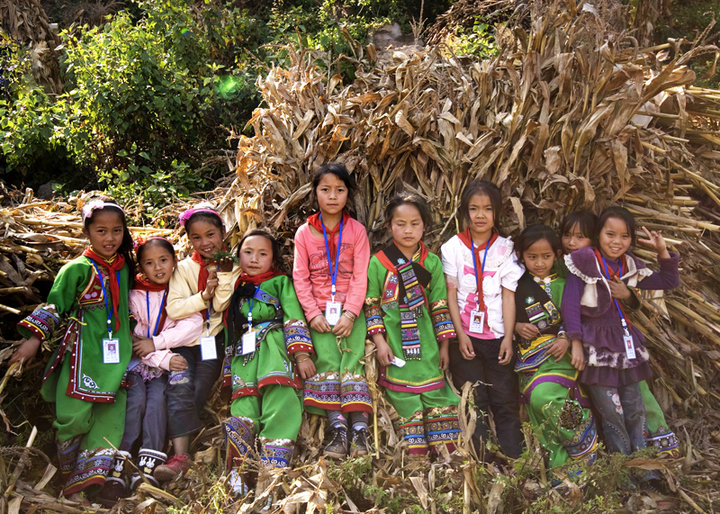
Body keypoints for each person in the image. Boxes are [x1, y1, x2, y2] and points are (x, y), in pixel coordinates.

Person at [10, 199, 135, 500]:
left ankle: (93, 480)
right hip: (84, 352)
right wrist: (34, 339)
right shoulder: (76, 269)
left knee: (110, 414)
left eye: (117, 230)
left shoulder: (125, 266)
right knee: (74, 415)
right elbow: (55, 306)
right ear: (87, 232)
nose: (110, 238)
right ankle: (68, 478)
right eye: (101, 231)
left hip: (117, 352)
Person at [561, 206, 679, 483]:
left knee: (634, 407)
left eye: (624, 236)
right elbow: (570, 306)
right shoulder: (584, 261)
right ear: (598, 234)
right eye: (610, 234)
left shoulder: (629, 265)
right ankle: (622, 471)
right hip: (596, 346)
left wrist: (662, 251)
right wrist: (575, 343)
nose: (617, 241)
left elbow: (669, 280)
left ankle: (643, 466)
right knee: (611, 412)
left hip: (625, 345)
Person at [99, 237, 202, 503]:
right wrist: (160, 358)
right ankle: (119, 466)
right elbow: (134, 340)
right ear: (140, 267)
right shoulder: (133, 295)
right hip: (137, 365)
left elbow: (192, 326)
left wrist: (157, 349)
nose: (158, 268)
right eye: (149, 263)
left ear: (174, 261)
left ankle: (147, 466)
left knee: (157, 403)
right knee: (134, 402)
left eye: (163, 260)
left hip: (161, 364)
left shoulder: (179, 293)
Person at [365, 194, 461, 459]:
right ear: (389, 226)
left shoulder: (431, 262)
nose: (408, 230)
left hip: (428, 345)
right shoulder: (379, 263)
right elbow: (371, 304)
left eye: (415, 224)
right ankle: (415, 464)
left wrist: (444, 347)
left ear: (424, 226)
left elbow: (440, 306)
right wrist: (380, 342)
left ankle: (448, 464)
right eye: (401, 223)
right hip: (395, 347)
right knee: (407, 407)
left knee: (438, 402)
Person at [223, 230, 313, 495]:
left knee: (280, 400)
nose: (254, 258)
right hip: (245, 354)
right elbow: (228, 327)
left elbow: (293, 315)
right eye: (248, 252)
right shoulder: (234, 285)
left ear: (272, 258)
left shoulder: (281, 282)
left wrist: (302, 354)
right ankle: (237, 473)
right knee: (243, 406)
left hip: (275, 348)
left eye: (263, 253)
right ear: (238, 254)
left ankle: (272, 472)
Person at [154, 206, 240, 482]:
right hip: (182, 342)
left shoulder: (235, 265)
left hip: (212, 341)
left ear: (223, 232)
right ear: (189, 239)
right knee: (179, 386)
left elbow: (223, 304)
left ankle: (174, 446)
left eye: (211, 234)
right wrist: (203, 295)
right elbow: (175, 309)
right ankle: (180, 456)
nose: (205, 243)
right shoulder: (184, 268)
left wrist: (224, 277)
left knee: (200, 387)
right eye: (197, 237)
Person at [293, 163, 373, 459]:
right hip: (318, 315)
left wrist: (351, 314)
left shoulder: (357, 231)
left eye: (340, 190)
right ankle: (338, 429)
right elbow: (300, 277)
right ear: (315, 193)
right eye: (325, 189)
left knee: (353, 365)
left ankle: (360, 431)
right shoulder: (304, 233)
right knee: (326, 362)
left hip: (352, 314)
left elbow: (360, 275)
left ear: (347, 195)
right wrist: (312, 314)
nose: (332, 196)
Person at [441, 180, 524, 459]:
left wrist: (509, 338)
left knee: (504, 399)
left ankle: (515, 458)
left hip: (498, 338)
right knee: (474, 400)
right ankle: (482, 461)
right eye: (474, 209)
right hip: (466, 340)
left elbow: (508, 296)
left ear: (496, 213)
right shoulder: (452, 247)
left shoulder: (505, 248)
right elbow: (451, 295)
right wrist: (460, 335)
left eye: (487, 209)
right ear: (465, 212)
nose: (480, 215)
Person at [513, 225, 597, 480]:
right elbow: (500, 316)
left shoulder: (566, 284)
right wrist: (516, 326)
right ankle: (563, 474)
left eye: (546, 256)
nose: (539, 263)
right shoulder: (515, 285)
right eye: (532, 257)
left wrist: (565, 338)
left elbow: (578, 317)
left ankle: (585, 448)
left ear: (557, 255)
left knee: (543, 398)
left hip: (560, 356)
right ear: (521, 256)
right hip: (527, 362)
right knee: (538, 415)